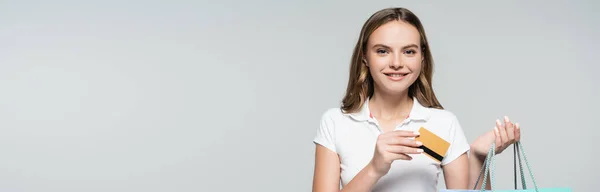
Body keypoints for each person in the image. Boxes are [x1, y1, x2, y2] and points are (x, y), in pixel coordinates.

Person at [312, 7, 521, 192]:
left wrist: (478, 156)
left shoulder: (442, 124)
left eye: (409, 51)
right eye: (383, 51)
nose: (396, 63)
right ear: (365, 57)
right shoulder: (336, 123)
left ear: (422, 56)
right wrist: (374, 168)